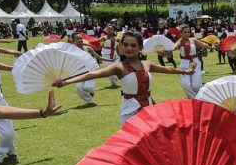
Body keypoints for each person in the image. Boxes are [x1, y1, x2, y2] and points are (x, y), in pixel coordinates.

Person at [53, 31, 194, 124]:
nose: (129, 48)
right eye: (125, 44)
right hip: (130, 110)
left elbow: (168, 69)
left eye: (133, 45)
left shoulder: (147, 64)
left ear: (140, 48)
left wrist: (185, 72)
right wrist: (65, 82)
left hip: (149, 107)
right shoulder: (119, 67)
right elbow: (91, 74)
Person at [70, 33, 114, 106]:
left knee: (87, 87)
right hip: (78, 71)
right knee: (79, 87)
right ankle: (89, 101)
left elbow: (99, 57)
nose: (80, 40)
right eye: (77, 39)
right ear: (74, 40)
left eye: (80, 38)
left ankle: (91, 92)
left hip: (90, 70)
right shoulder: (72, 50)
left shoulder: (88, 48)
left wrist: (110, 60)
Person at [175, 25, 212, 98]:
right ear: (181, 33)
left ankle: (197, 96)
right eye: (185, 32)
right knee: (185, 85)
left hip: (195, 62)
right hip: (184, 63)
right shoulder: (179, 42)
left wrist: (211, 46)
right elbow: (174, 47)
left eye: (188, 32)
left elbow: (203, 45)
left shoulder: (193, 40)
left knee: (196, 86)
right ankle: (194, 99)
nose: (187, 34)